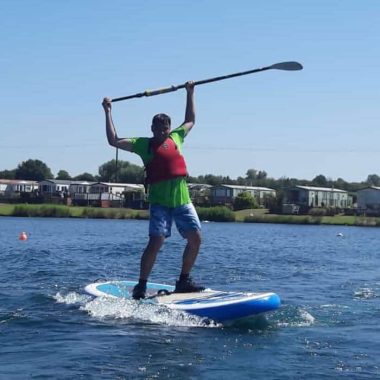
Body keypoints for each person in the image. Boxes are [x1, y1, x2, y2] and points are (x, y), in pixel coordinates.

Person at [102, 81, 204, 300]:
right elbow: (113, 140)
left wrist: (190, 92)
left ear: (169, 128)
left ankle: (184, 280)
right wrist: (108, 111)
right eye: (156, 128)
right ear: (151, 129)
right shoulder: (143, 144)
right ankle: (141, 285)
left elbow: (190, 120)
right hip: (160, 204)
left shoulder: (177, 137)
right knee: (156, 242)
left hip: (183, 201)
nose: (160, 132)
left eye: (164, 128)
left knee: (195, 239)